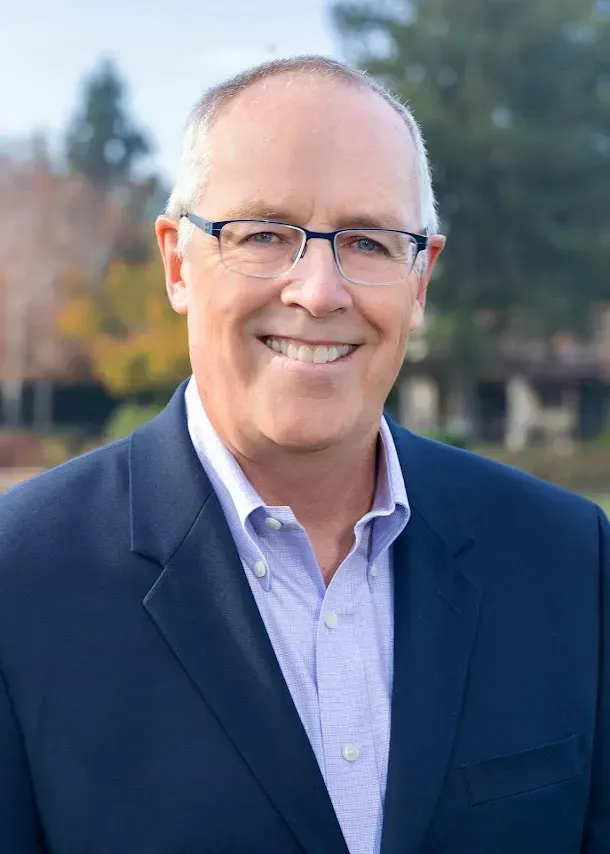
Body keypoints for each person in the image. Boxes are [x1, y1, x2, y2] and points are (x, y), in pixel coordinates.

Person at [0, 55, 607, 854]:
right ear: (178, 264)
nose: (319, 292)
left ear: (420, 279)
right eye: (264, 234)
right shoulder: (19, 580)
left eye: (369, 241)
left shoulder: (569, 559)